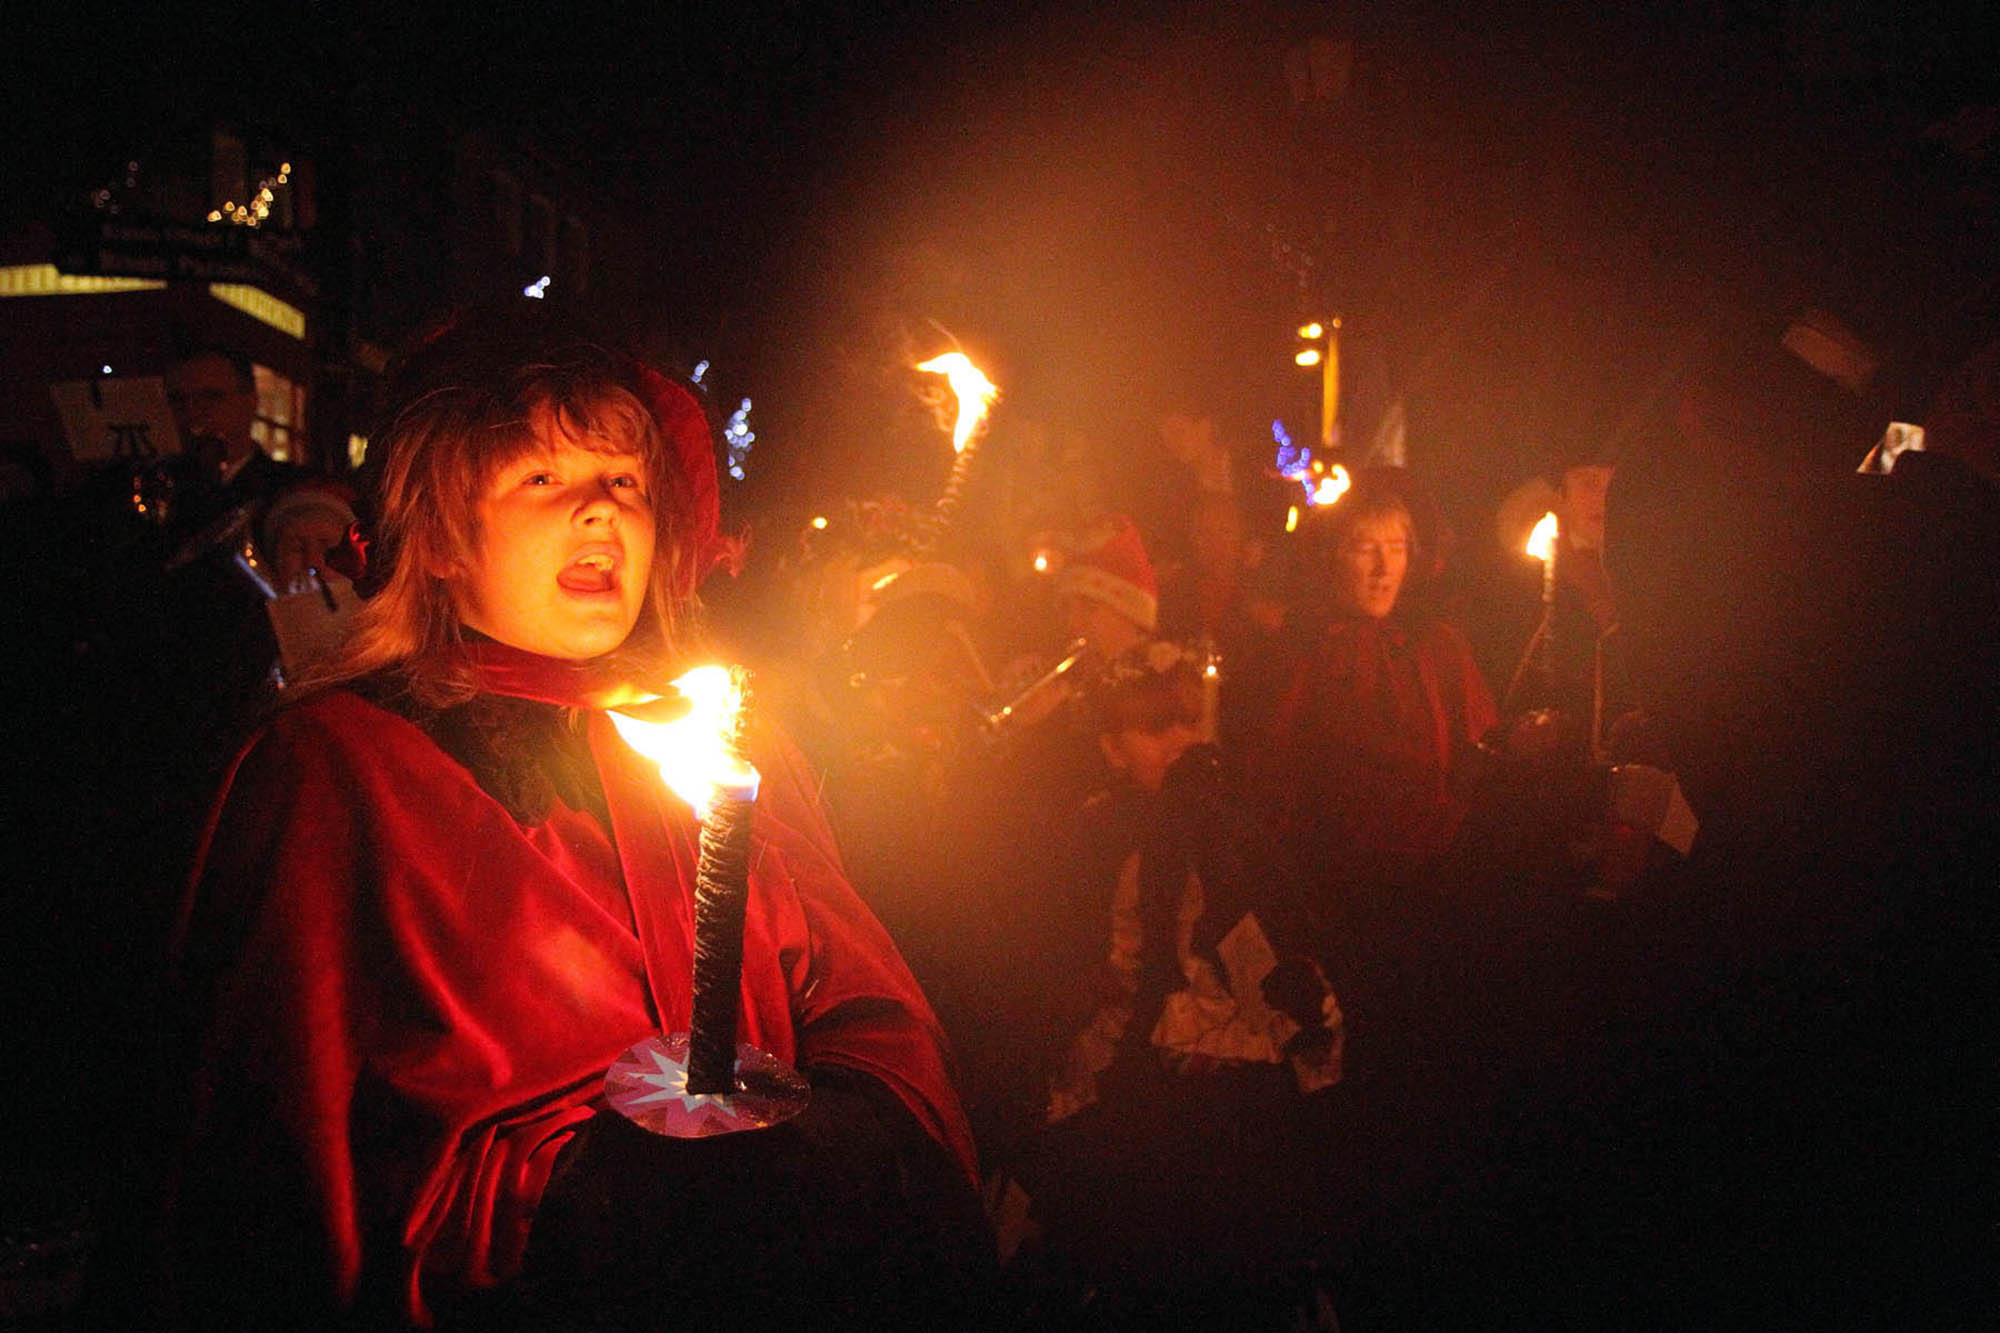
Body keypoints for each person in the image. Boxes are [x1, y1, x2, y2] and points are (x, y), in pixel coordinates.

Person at [144, 310, 986, 1327]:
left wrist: (828, 1152)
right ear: (443, 534)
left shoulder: (730, 746)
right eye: (543, 477)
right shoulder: (339, 767)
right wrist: (600, 1204)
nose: (601, 514)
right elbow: (281, 1158)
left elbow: (866, 1010)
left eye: (625, 481)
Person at [1272, 484, 1498, 893]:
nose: (1383, 569)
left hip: (1433, 876)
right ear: (1332, 556)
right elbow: (1278, 773)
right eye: (1365, 549)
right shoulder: (1304, 650)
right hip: (1329, 879)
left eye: (1396, 548)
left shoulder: (1437, 647)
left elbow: (1481, 748)